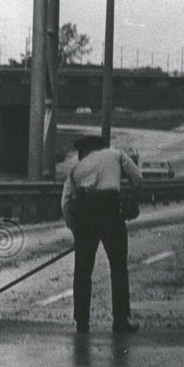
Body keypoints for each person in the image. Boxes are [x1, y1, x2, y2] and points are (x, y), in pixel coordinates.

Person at [61, 135, 143, 334]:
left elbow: (65, 204)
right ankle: (120, 320)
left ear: (83, 153)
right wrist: (132, 204)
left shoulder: (75, 170)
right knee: (118, 268)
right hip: (110, 212)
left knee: (82, 271)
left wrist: (78, 233)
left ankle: (82, 322)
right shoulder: (115, 154)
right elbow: (138, 179)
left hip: (84, 215)